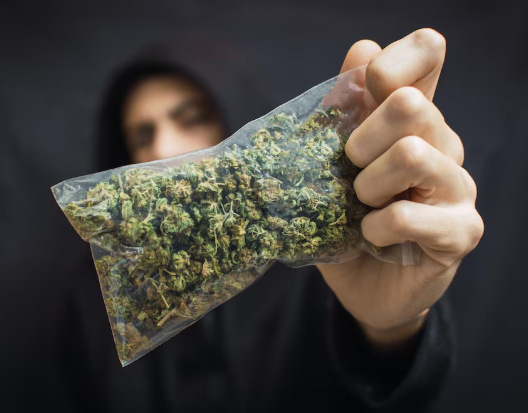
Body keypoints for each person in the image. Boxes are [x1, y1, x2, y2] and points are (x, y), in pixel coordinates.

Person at [75, 28, 483, 412]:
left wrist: (391, 331)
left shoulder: (319, 259)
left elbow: (393, 389)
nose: (164, 149)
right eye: (142, 136)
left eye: (192, 117)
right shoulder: (104, 304)